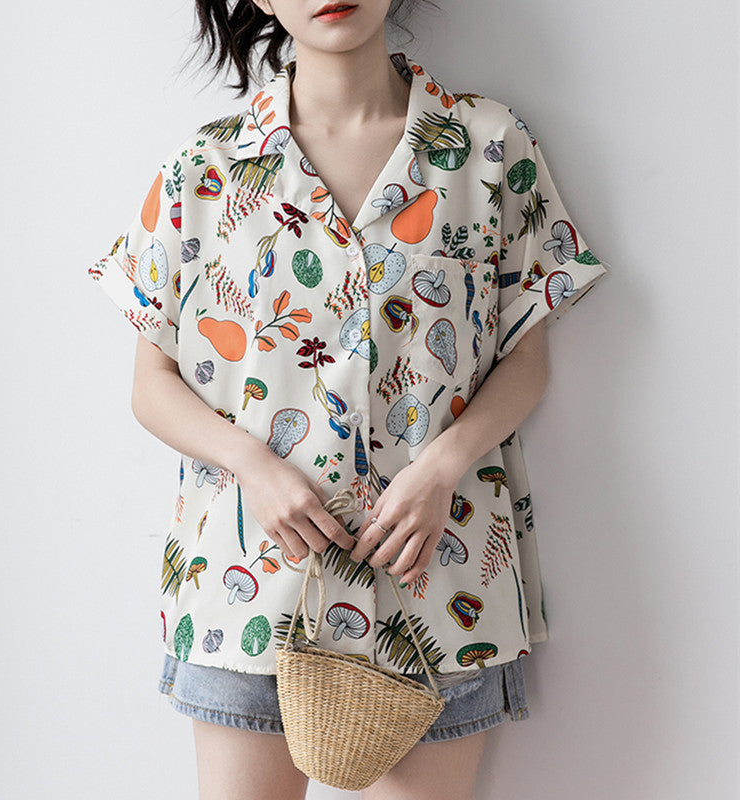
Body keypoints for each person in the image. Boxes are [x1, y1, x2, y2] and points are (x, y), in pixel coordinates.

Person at [85, 1, 609, 797]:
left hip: (440, 585)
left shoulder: (487, 147)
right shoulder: (207, 168)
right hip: (249, 587)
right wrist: (254, 466)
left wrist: (441, 468)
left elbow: (526, 360)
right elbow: (150, 386)